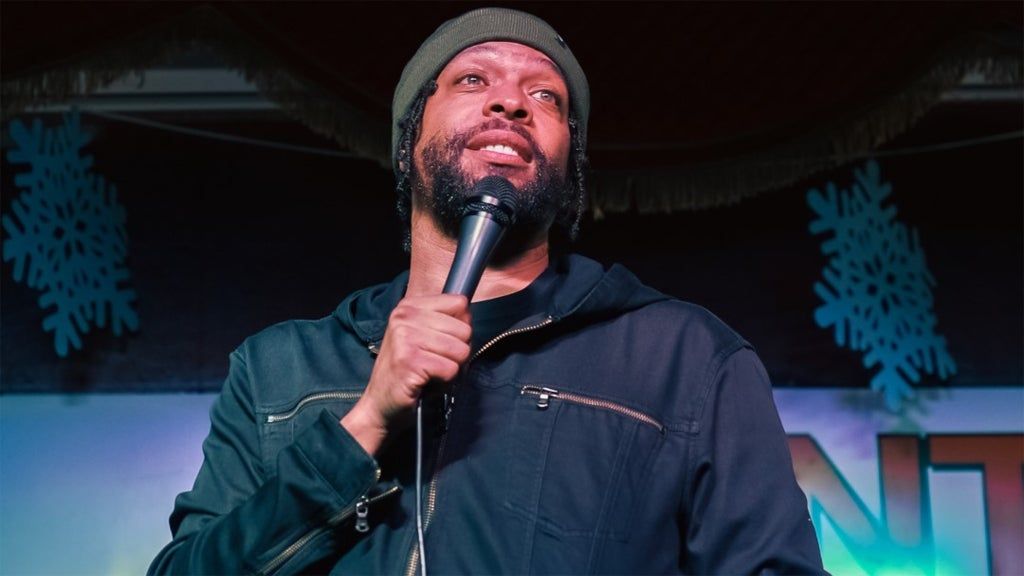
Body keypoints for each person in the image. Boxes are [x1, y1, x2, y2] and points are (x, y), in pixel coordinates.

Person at [149, 8, 825, 575]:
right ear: (409, 139)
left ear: (571, 167)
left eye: (546, 97)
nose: (511, 103)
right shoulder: (278, 369)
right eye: (473, 79)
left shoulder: (683, 362)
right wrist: (365, 425)